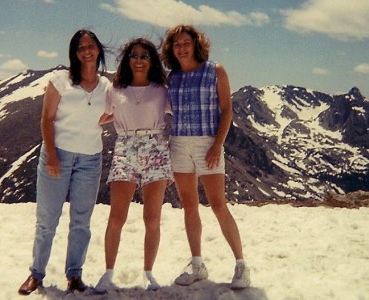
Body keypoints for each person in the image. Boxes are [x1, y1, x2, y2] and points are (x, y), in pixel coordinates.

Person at [18, 29, 110, 295]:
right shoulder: (60, 81)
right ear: (74, 53)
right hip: (58, 154)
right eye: (80, 48)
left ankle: (74, 275)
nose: (86, 51)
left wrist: (105, 120)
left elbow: (118, 109)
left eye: (90, 46)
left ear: (98, 50)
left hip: (91, 159)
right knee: (47, 219)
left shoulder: (106, 86)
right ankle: (36, 274)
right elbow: (46, 119)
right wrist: (53, 155)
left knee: (81, 220)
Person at [161, 25, 250, 289]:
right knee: (189, 205)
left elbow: (227, 111)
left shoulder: (215, 71)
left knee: (218, 204)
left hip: (207, 143)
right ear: (171, 49)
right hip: (179, 144)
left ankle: (241, 264)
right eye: (176, 44)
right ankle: (197, 264)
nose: (182, 48)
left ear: (196, 44)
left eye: (186, 43)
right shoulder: (172, 77)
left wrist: (217, 145)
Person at [93, 37, 173, 293]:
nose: (138, 60)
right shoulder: (115, 90)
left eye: (144, 56)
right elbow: (99, 116)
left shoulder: (162, 90)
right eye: (134, 55)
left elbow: (182, 110)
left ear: (152, 61)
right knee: (117, 216)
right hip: (125, 147)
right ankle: (108, 273)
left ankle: (149, 272)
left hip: (156, 148)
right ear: (127, 60)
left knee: (152, 217)